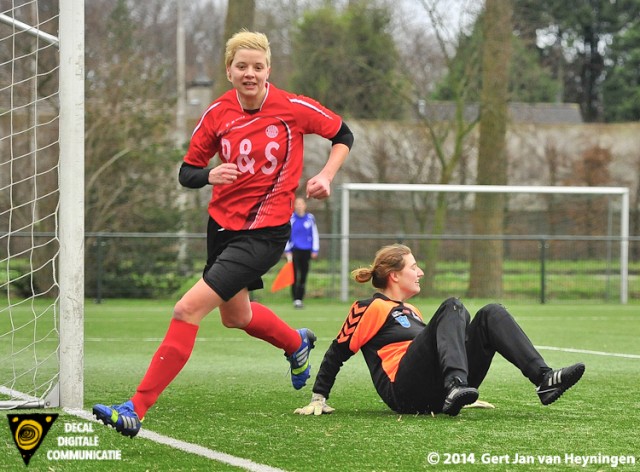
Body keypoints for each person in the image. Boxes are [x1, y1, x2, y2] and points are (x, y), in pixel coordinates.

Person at [93, 30, 354, 437]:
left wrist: (325, 175)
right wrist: (210, 174)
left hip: (264, 233)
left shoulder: (292, 108)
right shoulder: (217, 113)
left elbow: (343, 134)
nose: (250, 73)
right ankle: (295, 344)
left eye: (258, 66)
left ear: (269, 70)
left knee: (186, 309)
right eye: (241, 66)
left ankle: (135, 407)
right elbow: (186, 172)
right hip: (221, 228)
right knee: (237, 316)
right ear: (228, 71)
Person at [295, 244, 585, 417]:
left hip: (435, 393)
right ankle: (455, 384)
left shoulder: (414, 312)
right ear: (395, 275)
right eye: (414, 267)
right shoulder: (370, 307)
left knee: (491, 313)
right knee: (453, 306)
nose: (420, 272)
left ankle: (544, 379)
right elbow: (336, 353)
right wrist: (318, 397)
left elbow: (442, 347)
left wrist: (464, 393)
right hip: (404, 393)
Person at [285, 197, 319, 309]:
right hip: (294, 251)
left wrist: (315, 249)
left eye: (301, 204)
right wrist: (287, 250)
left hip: (306, 251)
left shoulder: (310, 218)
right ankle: (295, 299)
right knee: (294, 275)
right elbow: (286, 235)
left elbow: (314, 234)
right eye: (297, 204)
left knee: (304, 275)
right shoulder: (291, 218)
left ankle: (300, 298)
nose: (299, 206)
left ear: (305, 205)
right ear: (294, 206)